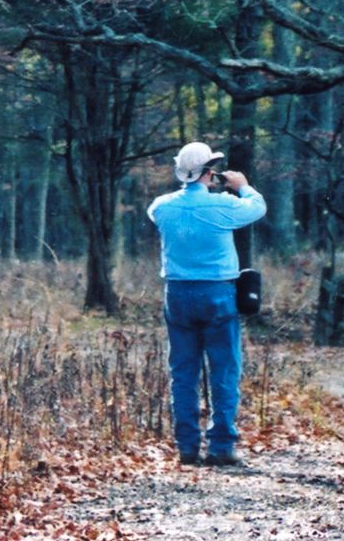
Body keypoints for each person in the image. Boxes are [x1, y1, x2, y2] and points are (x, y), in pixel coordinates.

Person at [147, 141, 267, 467]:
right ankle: (220, 446)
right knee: (224, 370)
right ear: (209, 172)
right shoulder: (224, 206)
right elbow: (258, 208)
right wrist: (243, 187)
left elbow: (156, 213)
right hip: (217, 292)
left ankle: (187, 447)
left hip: (177, 293)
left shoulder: (162, 206)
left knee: (183, 372)